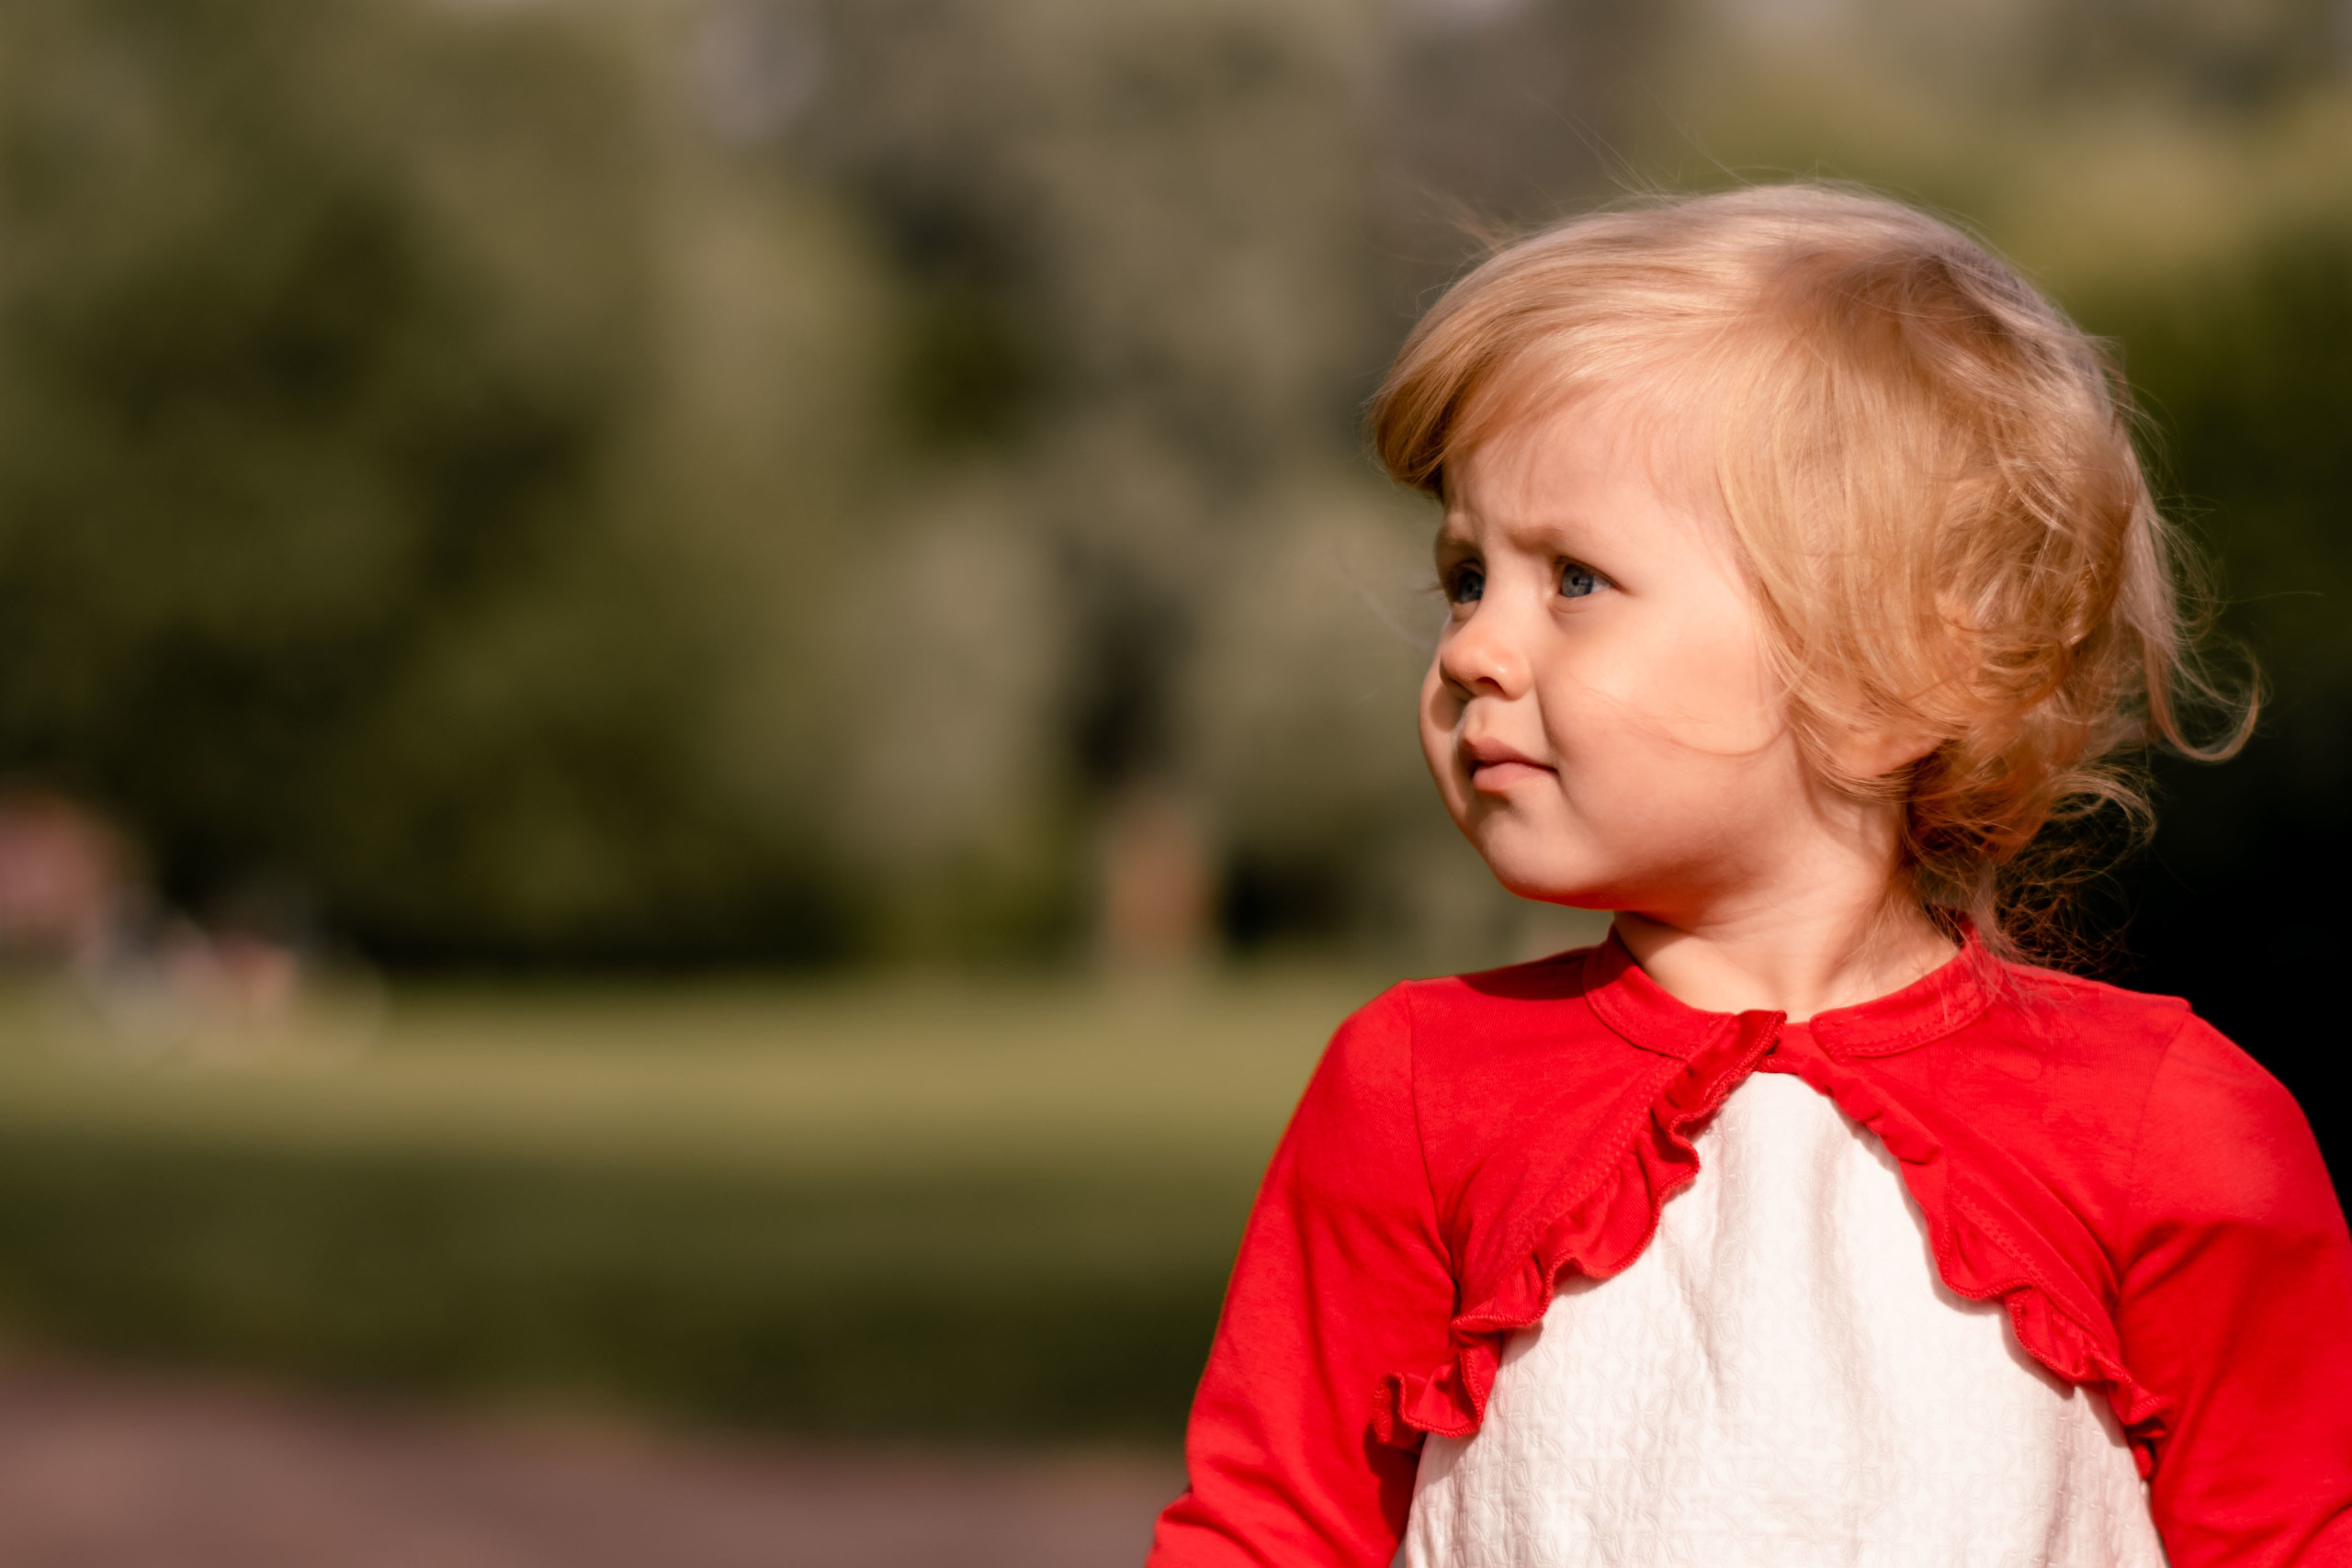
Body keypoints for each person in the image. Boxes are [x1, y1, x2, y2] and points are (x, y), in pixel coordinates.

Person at [1146, 184, 2352, 1568]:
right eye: (1468, 574)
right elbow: (1270, 1531)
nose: (1474, 647)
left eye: (1576, 579)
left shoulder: (2179, 1130)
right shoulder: (1413, 1092)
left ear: (1902, 672)